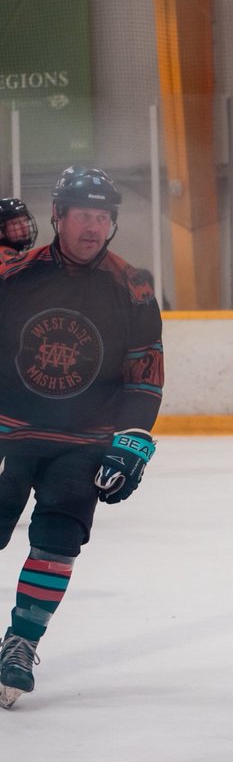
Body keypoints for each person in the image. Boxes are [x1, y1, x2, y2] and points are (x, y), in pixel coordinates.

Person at [0, 167, 164, 708]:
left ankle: (21, 643)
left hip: (85, 438)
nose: (92, 227)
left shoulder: (133, 285)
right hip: (11, 432)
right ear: (58, 216)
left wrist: (133, 442)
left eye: (102, 216)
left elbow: (144, 374)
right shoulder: (12, 274)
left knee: (59, 538)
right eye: (82, 215)